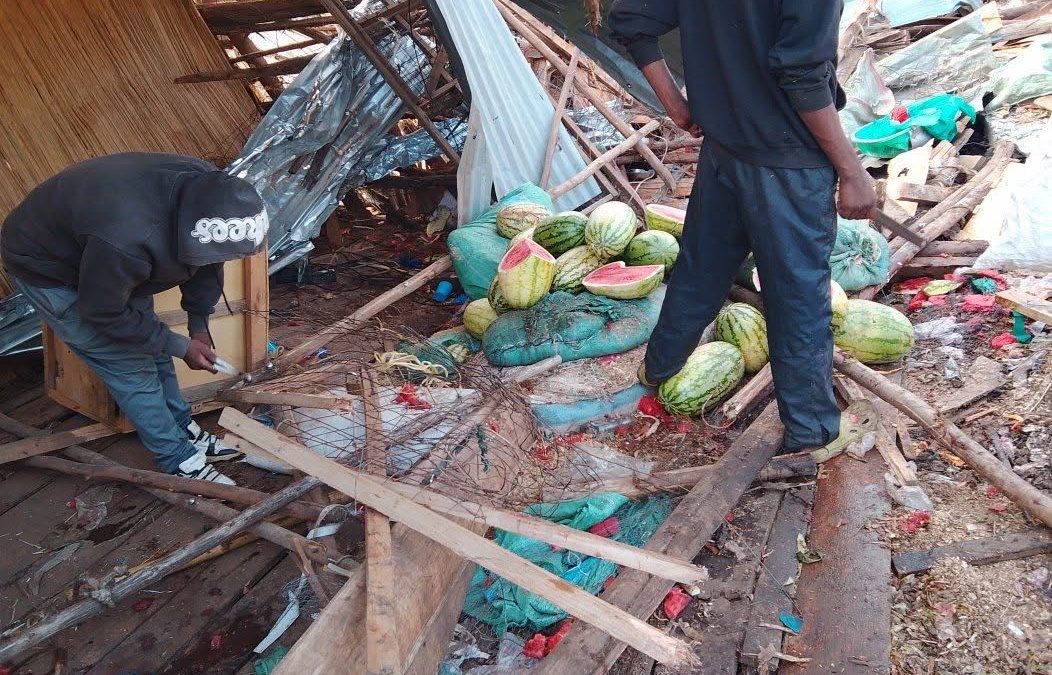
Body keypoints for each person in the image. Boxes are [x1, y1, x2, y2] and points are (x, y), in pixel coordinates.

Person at [610, 1, 877, 452]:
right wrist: (851, 170)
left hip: (725, 153)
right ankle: (810, 432)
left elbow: (630, 23)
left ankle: (658, 369)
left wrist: (679, 108)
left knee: (700, 270)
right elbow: (803, 74)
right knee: (797, 300)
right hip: (788, 164)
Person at [1, 152, 269, 484]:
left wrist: (198, 326)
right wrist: (177, 344)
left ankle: (181, 427)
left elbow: (209, 263)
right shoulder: (128, 240)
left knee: (153, 346)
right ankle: (177, 459)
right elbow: (103, 312)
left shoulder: (211, 191)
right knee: (130, 367)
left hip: (103, 254)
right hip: (48, 266)